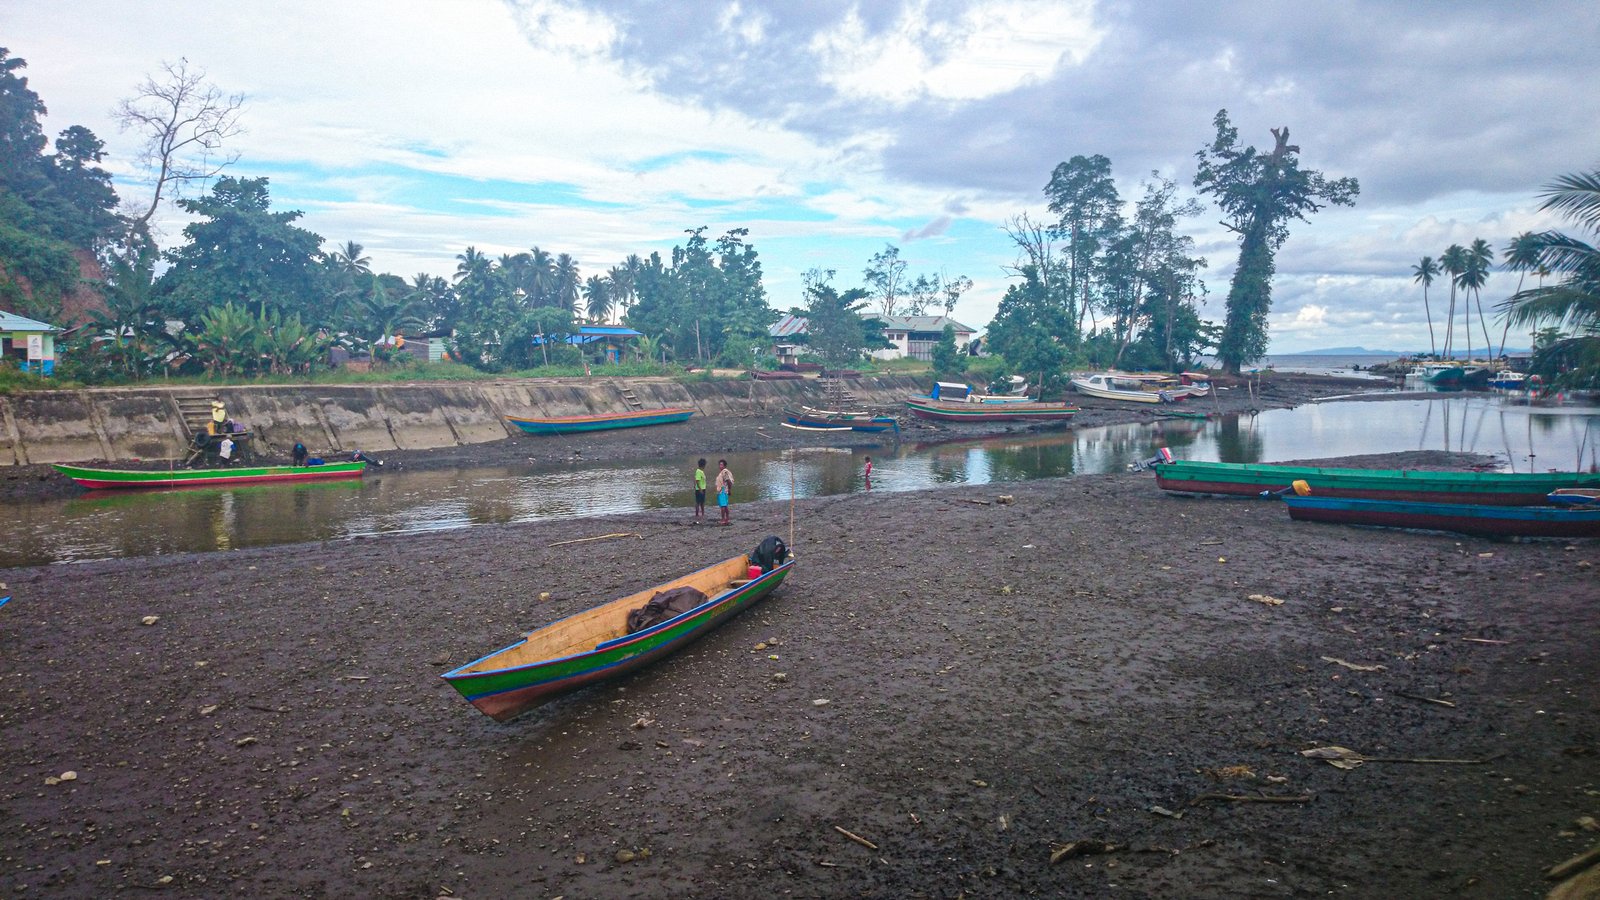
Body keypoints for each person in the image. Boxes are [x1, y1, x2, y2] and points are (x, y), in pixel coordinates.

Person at [714, 459, 734, 526]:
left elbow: (728, 481)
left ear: (724, 466)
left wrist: (729, 490)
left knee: (723, 506)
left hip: (723, 490)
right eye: (719, 464)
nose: (720, 466)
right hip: (723, 490)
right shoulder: (723, 472)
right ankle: (727, 519)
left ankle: (723, 519)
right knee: (725, 506)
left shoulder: (724, 472)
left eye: (721, 464)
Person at [693, 458, 708, 524]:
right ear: (703, 465)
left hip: (702, 488)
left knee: (702, 502)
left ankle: (702, 514)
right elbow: (697, 480)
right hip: (700, 489)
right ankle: (697, 514)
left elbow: (695, 479)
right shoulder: (699, 471)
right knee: (698, 502)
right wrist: (700, 489)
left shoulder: (700, 471)